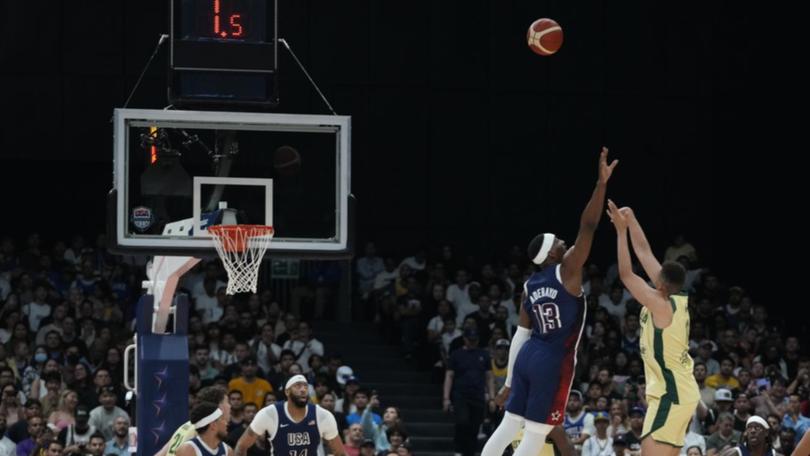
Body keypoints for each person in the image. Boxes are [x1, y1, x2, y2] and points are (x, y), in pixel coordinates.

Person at [481, 147, 618, 456]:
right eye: (558, 242)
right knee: (535, 434)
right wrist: (601, 184)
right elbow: (588, 227)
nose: (563, 242)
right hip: (553, 360)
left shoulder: (529, 285)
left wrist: (509, 381)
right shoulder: (567, 270)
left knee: (508, 426)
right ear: (552, 255)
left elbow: (520, 335)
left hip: (529, 356)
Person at [606, 202, 699, 456]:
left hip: (672, 393)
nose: (651, 276)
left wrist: (620, 232)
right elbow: (645, 252)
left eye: (655, 278)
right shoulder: (676, 295)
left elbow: (625, 275)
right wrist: (632, 218)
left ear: (660, 285)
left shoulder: (660, 305)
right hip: (677, 389)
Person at [234, 375, 346, 456]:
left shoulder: (323, 415)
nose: (303, 390)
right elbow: (241, 446)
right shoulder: (269, 414)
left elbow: (340, 453)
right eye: (297, 386)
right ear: (287, 392)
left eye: (305, 387)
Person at [154, 386, 231, 456]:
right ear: (220, 407)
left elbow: (161, 453)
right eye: (227, 402)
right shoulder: (204, 429)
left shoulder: (186, 426)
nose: (230, 406)